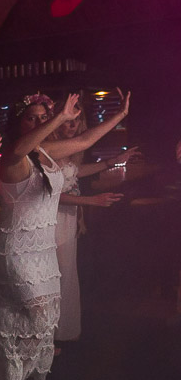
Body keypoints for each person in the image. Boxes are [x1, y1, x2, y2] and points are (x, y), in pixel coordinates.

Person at [0, 91, 130, 380]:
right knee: (28, 315)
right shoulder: (13, 154)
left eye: (43, 117)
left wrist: (119, 116)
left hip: (44, 247)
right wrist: (58, 117)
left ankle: (34, 376)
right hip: (17, 249)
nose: (39, 123)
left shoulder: (47, 153)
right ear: (19, 122)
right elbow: (24, 147)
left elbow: (83, 142)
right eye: (32, 118)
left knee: (48, 316)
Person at [51, 112, 136, 344]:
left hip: (67, 218)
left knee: (66, 274)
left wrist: (112, 161)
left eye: (76, 120)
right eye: (67, 120)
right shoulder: (50, 151)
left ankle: (61, 331)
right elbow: (52, 196)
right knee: (54, 275)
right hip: (51, 219)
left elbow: (77, 172)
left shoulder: (67, 153)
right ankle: (47, 335)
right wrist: (92, 201)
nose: (72, 125)